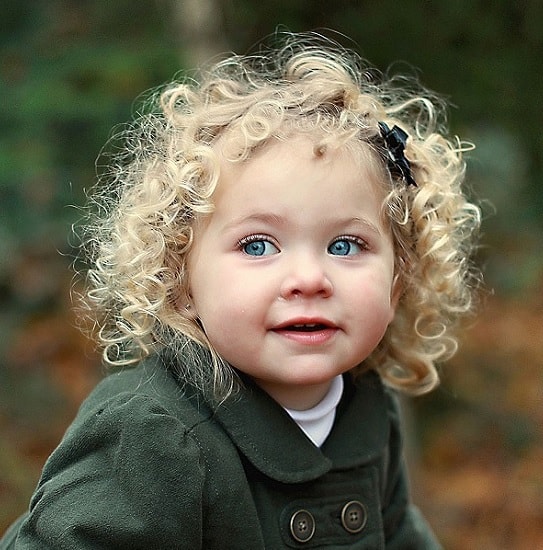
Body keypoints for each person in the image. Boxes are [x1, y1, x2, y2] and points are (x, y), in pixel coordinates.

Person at [1, 32, 481, 549]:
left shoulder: (364, 407)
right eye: (257, 246)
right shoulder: (151, 435)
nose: (309, 279)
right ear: (180, 280)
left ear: (397, 281)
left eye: (345, 245)